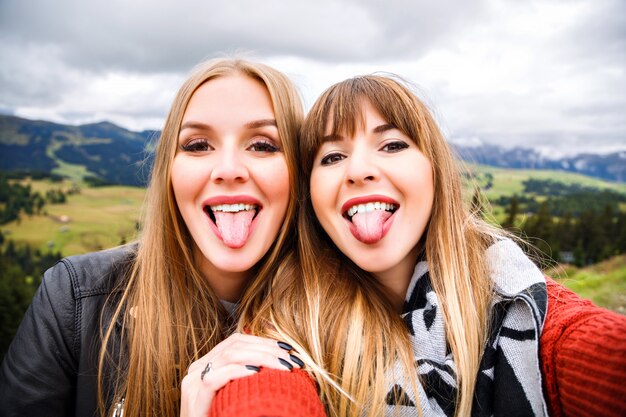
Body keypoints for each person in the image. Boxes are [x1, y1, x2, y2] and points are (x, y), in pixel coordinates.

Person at [223, 74, 626, 417]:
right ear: (309, 194)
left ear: (435, 170)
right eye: (332, 157)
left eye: (393, 145)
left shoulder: (516, 297)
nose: (359, 170)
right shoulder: (286, 323)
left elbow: (590, 351)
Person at [0, 58, 325, 417]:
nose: (229, 170)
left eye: (262, 145)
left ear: (299, 169)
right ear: (168, 169)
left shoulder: (347, 317)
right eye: (199, 145)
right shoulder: (74, 299)